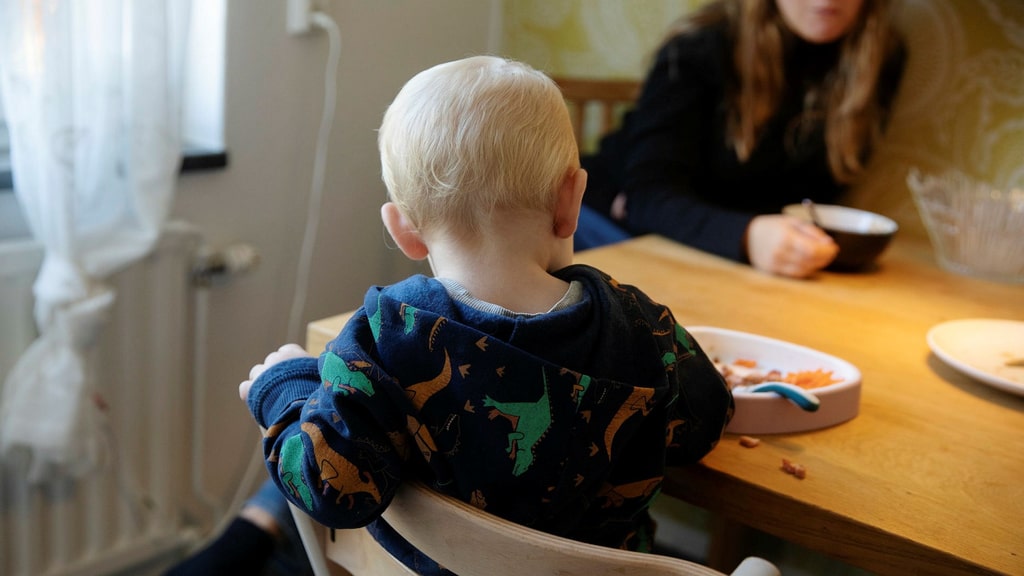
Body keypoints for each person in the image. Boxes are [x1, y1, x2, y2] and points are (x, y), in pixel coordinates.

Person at [238, 55, 734, 575]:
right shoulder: (641, 326)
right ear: (571, 201)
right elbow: (705, 422)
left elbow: (329, 487)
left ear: (403, 230)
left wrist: (285, 387)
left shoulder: (384, 337)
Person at [576, 0, 906, 278]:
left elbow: (815, 193)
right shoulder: (699, 46)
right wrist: (747, 235)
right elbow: (648, 198)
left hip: (713, 248)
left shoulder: (879, 58)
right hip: (606, 223)